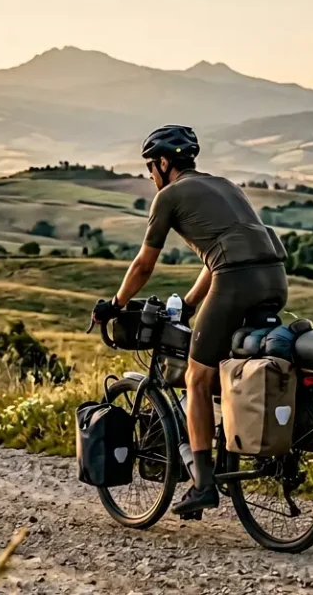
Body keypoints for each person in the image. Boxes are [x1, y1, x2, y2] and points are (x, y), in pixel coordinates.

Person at [91, 124, 289, 516]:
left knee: (196, 378)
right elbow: (216, 255)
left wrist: (115, 303)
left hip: (235, 281)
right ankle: (235, 438)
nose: (150, 176)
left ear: (164, 163)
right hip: (275, 278)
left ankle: (202, 485)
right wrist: (193, 303)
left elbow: (144, 264)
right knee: (234, 364)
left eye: (151, 167)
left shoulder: (169, 197)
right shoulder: (226, 186)